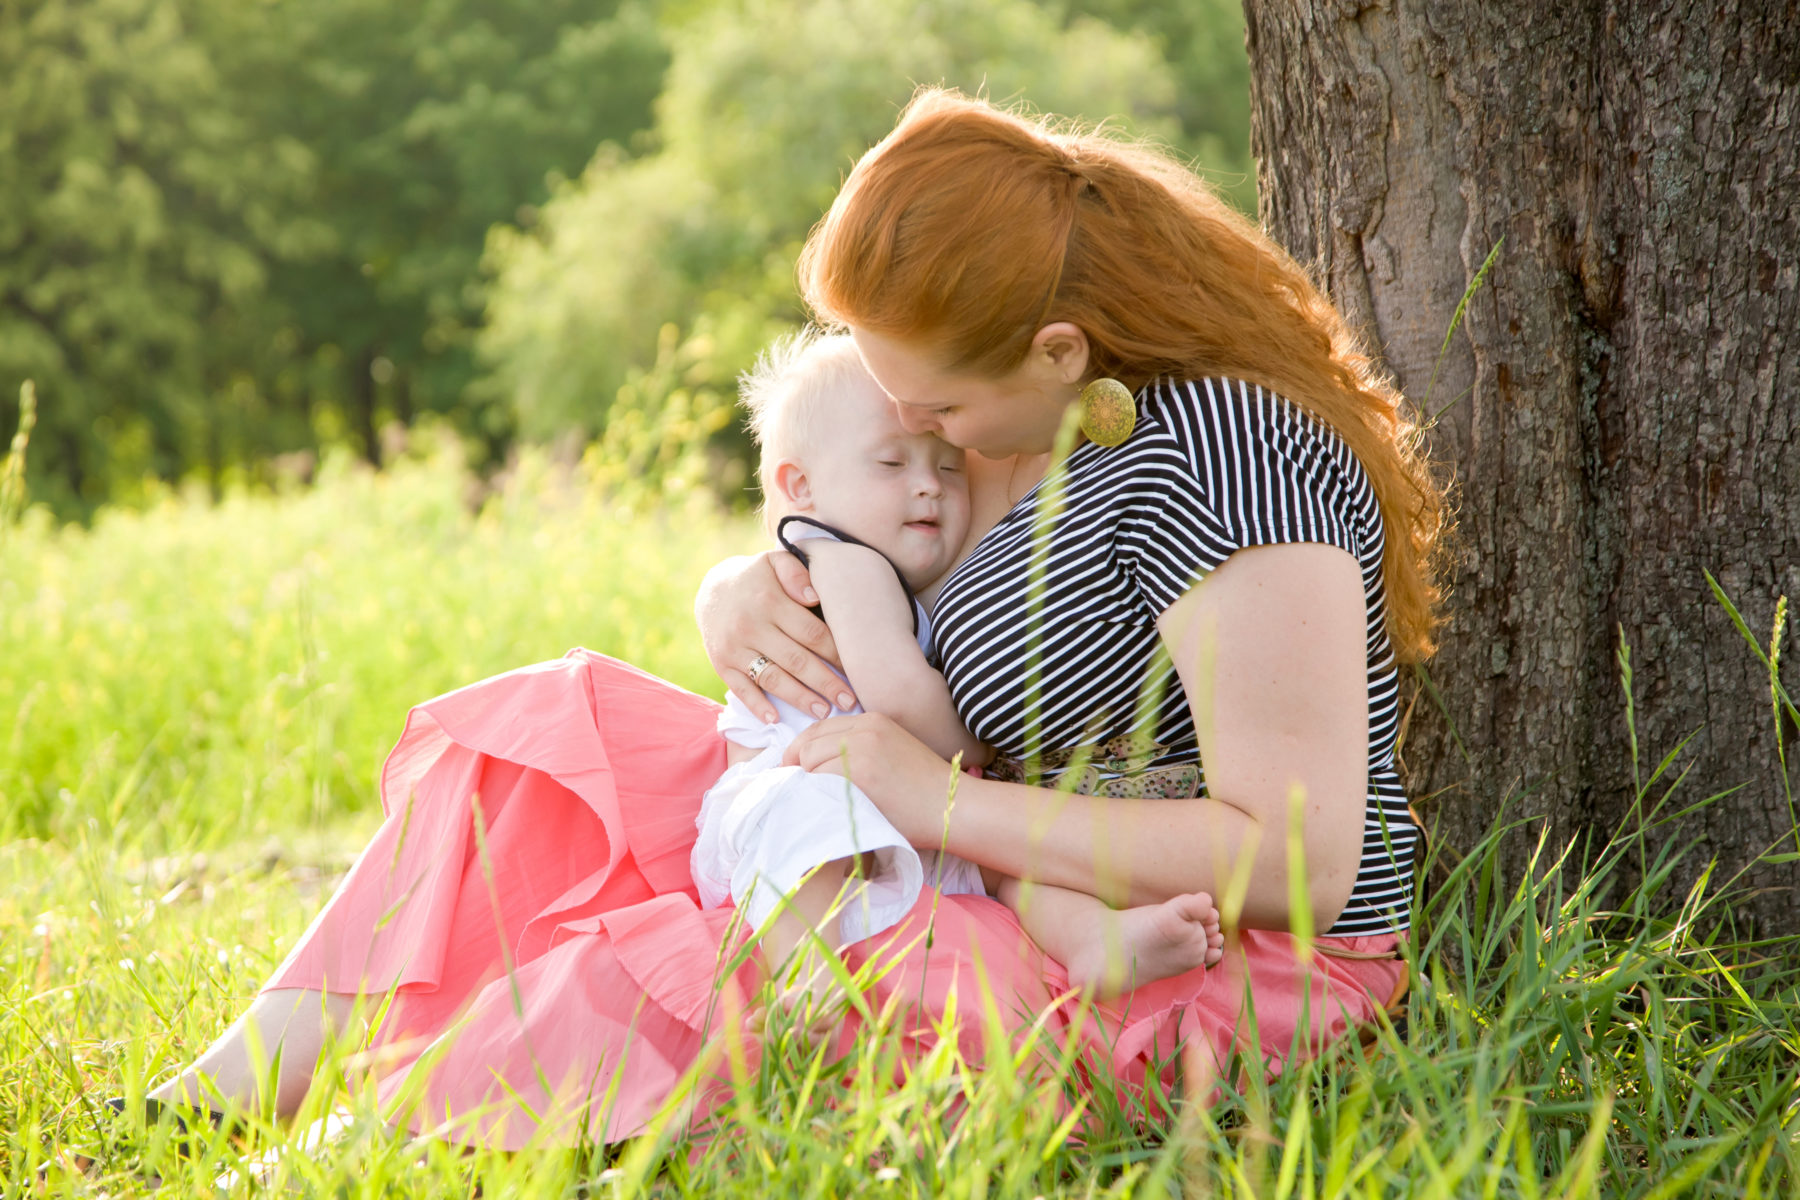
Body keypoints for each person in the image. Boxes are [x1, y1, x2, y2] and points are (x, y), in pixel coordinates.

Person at [133, 88, 1443, 1152]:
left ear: (1056, 349)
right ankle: (221, 1095)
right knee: (548, 733)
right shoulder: (1033, 424)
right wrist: (752, 579)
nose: (918, 432)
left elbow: (1301, 867)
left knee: (704, 956)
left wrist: (931, 803)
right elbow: (859, 521)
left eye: (928, 405)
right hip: (961, 852)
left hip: (1207, 955)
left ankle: (365, 1154)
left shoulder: (1231, 457)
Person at [693, 329, 1223, 1028]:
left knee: (1007, 870)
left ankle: (1092, 939)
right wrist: (979, 751)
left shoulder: (894, 566)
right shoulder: (846, 563)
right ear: (802, 487)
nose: (926, 485)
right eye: (891, 462)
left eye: (947, 468)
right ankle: (805, 973)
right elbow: (898, 697)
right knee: (809, 827)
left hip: (891, 798)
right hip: (798, 785)